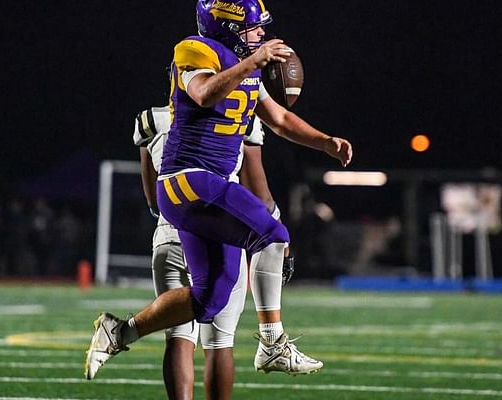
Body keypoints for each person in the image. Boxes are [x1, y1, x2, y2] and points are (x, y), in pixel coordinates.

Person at [85, 0, 352, 381]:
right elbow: (203, 93)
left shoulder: (249, 70)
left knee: (211, 296)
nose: (261, 33)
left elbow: (279, 119)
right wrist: (253, 62)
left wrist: (324, 142)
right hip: (187, 179)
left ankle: (119, 331)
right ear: (228, 26)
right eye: (254, 27)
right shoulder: (194, 48)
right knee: (273, 235)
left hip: (209, 190)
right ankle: (272, 343)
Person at [134, 106, 301, 399]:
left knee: (178, 337)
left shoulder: (150, 119)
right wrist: (275, 233)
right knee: (220, 341)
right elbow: (260, 195)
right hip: (221, 232)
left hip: (171, 229)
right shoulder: (240, 113)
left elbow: (152, 200)